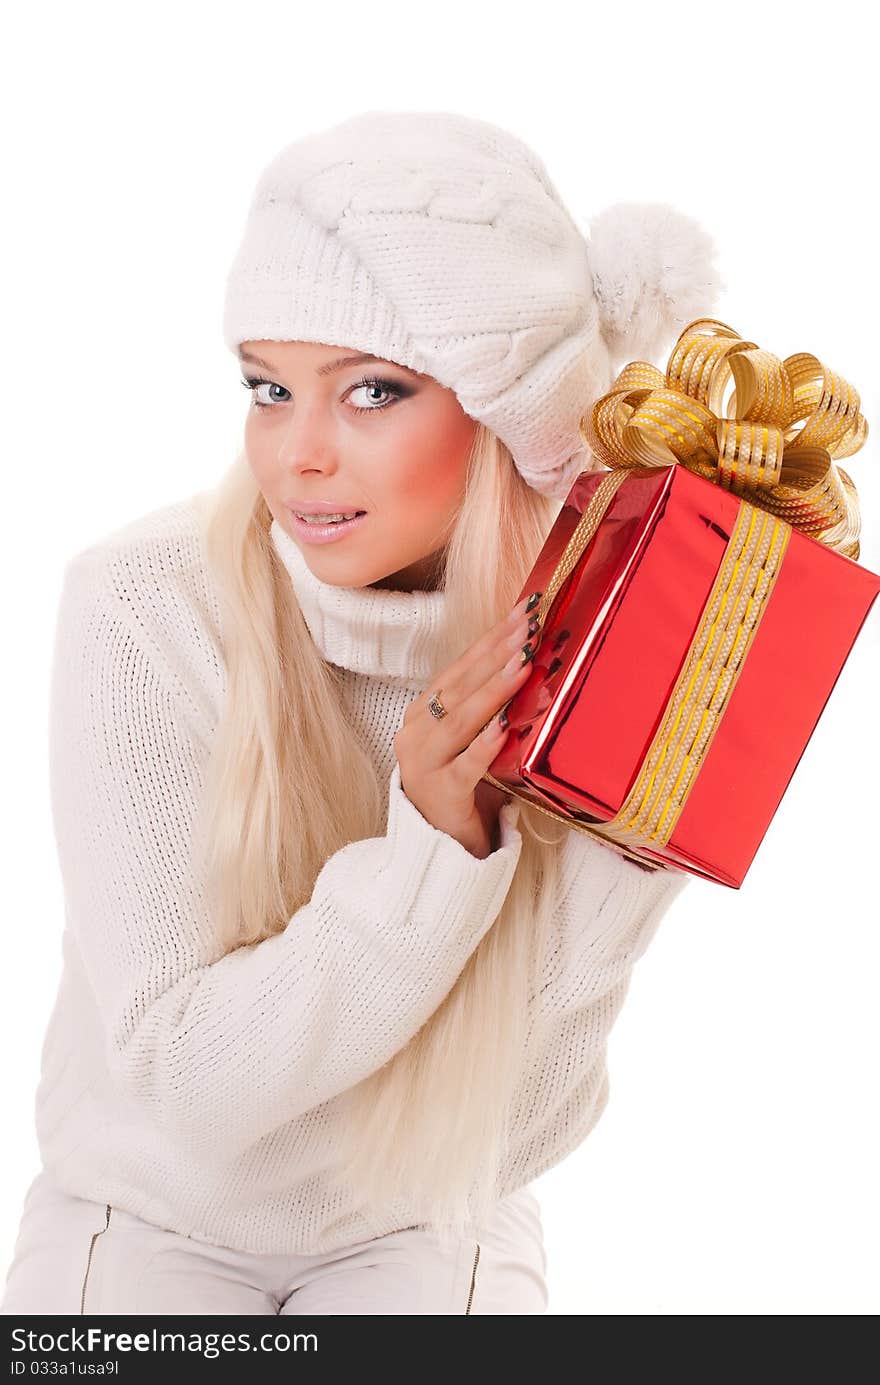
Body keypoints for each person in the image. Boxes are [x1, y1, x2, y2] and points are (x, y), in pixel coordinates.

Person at [0, 109, 723, 1316]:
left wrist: (637, 833)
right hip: (153, 1211)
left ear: (504, 415)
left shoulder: (603, 639)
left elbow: (519, 1124)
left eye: (373, 390)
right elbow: (186, 1084)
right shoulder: (144, 602)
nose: (299, 456)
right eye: (270, 387)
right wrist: (433, 847)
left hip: (430, 1219)